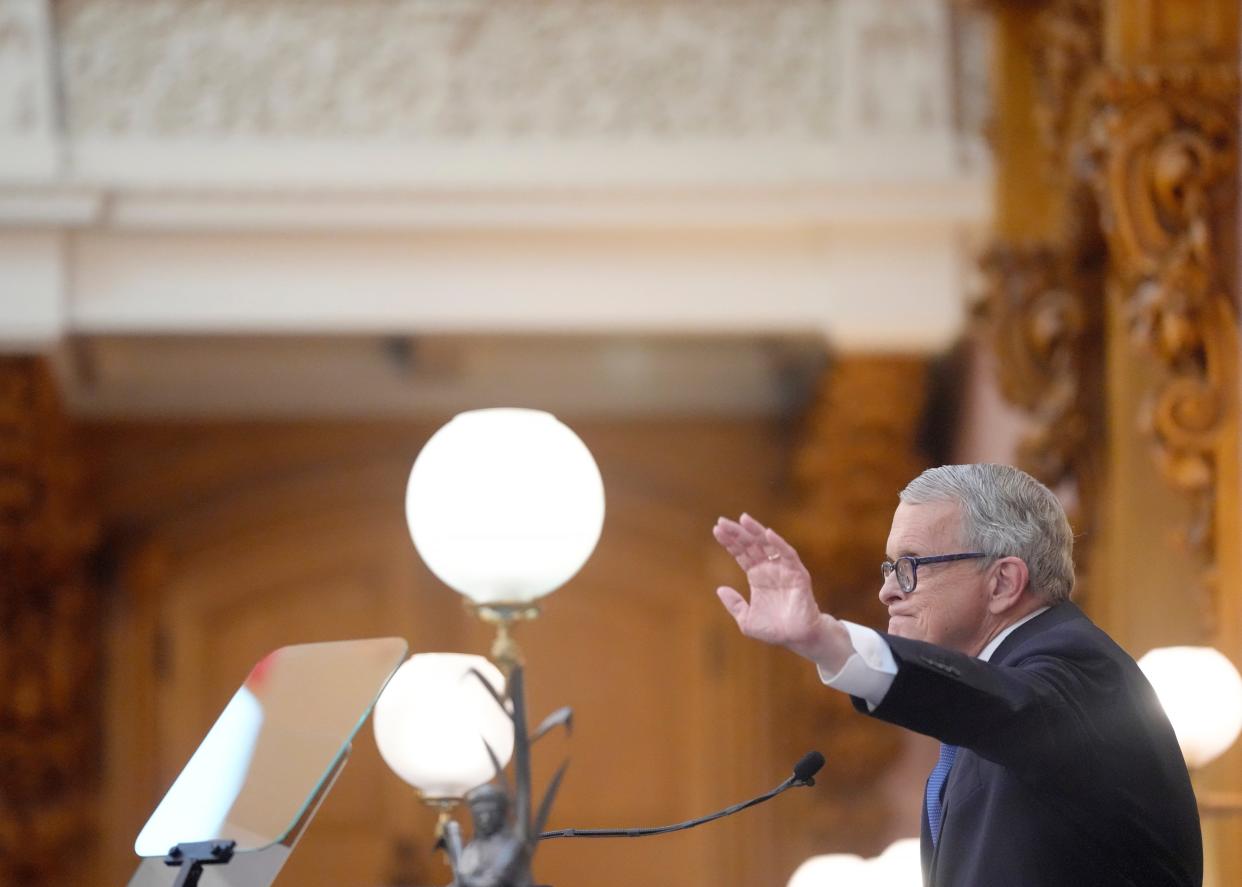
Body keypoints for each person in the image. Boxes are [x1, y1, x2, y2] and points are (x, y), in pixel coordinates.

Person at [713, 463, 1202, 887]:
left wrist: (826, 640)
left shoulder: (1079, 672)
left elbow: (1006, 707)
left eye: (909, 566)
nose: (887, 591)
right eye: (888, 567)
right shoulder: (987, 711)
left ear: (1004, 582)